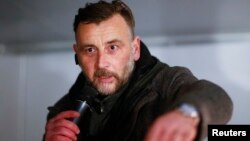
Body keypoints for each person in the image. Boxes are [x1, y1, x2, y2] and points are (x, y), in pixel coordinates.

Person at [43, 0, 233, 141]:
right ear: (77, 53)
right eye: (90, 50)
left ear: (135, 49)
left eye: (113, 47)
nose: (102, 63)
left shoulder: (165, 82)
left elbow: (215, 96)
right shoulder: (63, 112)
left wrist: (188, 114)